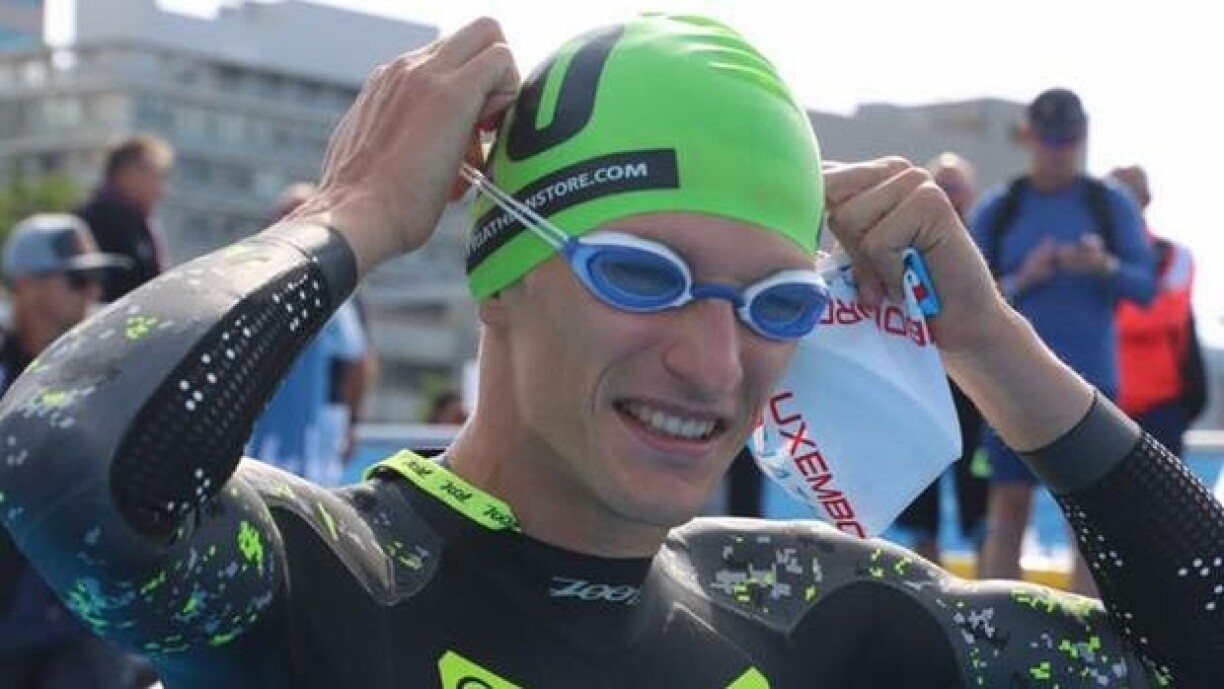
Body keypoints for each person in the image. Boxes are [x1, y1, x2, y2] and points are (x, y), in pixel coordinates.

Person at [0, 17, 1218, 687]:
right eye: (641, 276)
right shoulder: (325, 583)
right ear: (499, 277)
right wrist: (353, 214)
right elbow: (65, 463)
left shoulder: (810, 611)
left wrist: (993, 344)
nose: (713, 360)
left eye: (775, 304)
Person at [970, 88, 1157, 594]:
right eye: (1050, 140)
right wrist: (1024, 277)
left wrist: (1104, 266)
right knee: (1008, 506)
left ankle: (1089, 631)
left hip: (1091, 386)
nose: (1059, 151)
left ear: (1083, 137)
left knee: (1091, 517)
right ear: (1030, 138)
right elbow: (964, 297)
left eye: (1069, 140)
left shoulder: (1109, 204)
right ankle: (997, 627)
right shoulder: (1000, 209)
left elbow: (1145, 287)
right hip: (1010, 383)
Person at [0, 214, 143, 687]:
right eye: (77, 278)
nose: (92, 291)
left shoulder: (116, 365)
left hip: (84, 614)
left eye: (97, 277)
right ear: (27, 285)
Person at [893, 152, 988, 564]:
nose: (949, 196)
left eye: (955, 188)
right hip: (922, 388)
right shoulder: (900, 248)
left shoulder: (987, 244)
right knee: (922, 505)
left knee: (981, 500)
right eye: (941, 187)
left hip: (975, 394)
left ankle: (991, 585)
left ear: (971, 195)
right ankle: (929, 589)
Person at [245, 183, 372, 485]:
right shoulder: (251, 277)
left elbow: (359, 361)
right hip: (261, 422)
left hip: (318, 425)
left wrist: (352, 422)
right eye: (287, 216)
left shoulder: (343, 284)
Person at [1109, 165, 1207, 458]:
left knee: (1165, 490)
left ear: (1145, 200)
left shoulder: (1174, 256)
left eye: (1129, 196)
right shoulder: (1087, 256)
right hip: (1097, 405)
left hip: (1160, 409)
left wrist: (1108, 283)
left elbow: (1165, 315)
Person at [75, 134, 174, 302]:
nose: (161, 190)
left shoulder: (139, 223)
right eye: (156, 176)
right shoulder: (95, 221)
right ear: (128, 174)